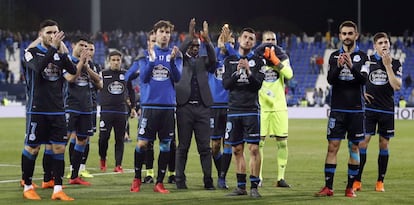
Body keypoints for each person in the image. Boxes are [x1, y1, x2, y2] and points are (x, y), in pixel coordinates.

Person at [21, 19, 75, 201]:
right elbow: (38, 68)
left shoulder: (58, 53)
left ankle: (57, 189)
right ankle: (27, 185)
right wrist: (53, 49)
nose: (53, 36)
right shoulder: (30, 53)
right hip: (37, 109)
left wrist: (62, 50)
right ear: (40, 35)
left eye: (55, 32)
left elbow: (73, 69)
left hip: (58, 110)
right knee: (33, 148)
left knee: (59, 148)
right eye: (49, 32)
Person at [314, 20, 368, 198]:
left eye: (350, 33)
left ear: (356, 35)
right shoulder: (334, 56)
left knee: (354, 148)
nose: (347, 37)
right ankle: (328, 187)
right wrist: (338, 66)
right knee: (332, 147)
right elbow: (330, 80)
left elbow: (363, 80)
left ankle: (350, 187)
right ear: (340, 36)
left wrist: (351, 65)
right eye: (344, 34)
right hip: (337, 110)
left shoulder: (363, 57)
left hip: (356, 111)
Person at [129, 20, 182, 194]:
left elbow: (177, 78)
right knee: (142, 143)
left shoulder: (176, 54)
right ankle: (137, 178)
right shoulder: (145, 54)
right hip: (150, 107)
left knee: (166, 146)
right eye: (162, 31)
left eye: (168, 32)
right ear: (155, 33)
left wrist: (173, 62)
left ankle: (159, 182)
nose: (165, 35)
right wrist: (151, 61)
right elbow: (143, 78)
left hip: (167, 108)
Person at [353, 32, 402, 192]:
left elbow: (397, 86)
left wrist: (387, 65)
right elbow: (359, 79)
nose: (384, 45)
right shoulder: (368, 61)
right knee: (363, 143)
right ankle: (357, 180)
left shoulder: (396, 63)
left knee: (384, 144)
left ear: (389, 44)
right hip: (369, 109)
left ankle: (380, 181)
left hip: (387, 110)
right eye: (380, 43)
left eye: (386, 42)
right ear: (375, 46)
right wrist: (361, 93)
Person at [222, 27, 265, 198]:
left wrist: (248, 71)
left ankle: (254, 187)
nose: (248, 40)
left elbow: (258, 85)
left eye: (251, 39)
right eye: (245, 37)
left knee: (254, 149)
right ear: (239, 39)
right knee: (237, 150)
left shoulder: (259, 61)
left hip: (251, 110)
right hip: (233, 110)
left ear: (254, 43)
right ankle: (241, 187)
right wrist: (237, 72)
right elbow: (226, 84)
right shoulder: (229, 60)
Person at [174, 18, 216, 190]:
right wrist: (190, 36)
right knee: (182, 147)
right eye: (193, 45)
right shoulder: (179, 60)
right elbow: (180, 50)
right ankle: (179, 181)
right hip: (184, 108)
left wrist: (207, 40)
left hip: (203, 108)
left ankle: (208, 181)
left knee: (205, 148)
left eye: (197, 45)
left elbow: (213, 58)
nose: (195, 48)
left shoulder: (204, 60)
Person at [256, 31, 293, 188]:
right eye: (267, 40)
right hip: (261, 107)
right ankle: (258, 177)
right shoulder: (256, 59)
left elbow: (289, 74)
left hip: (279, 107)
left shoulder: (282, 58)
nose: (270, 42)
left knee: (282, 144)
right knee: (258, 144)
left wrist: (276, 61)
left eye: (273, 40)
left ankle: (280, 178)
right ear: (262, 41)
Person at [64, 36, 102, 185]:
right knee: (63, 140)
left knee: (82, 140)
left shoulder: (89, 64)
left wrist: (87, 67)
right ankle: (53, 175)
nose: (84, 49)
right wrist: (81, 64)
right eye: (81, 45)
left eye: (86, 46)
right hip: (70, 106)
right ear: (73, 45)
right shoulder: (66, 61)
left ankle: (75, 175)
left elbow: (99, 84)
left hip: (86, 107)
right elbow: (71, 78)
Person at [98, 50, 137, 173]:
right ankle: (103, 159)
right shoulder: (102, 74)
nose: (116, 62)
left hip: (121, 111)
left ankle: (118, 165)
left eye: (118, 60)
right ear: (109, 61)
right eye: (113, 60)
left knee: (119, 139)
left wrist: (133, 107)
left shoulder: (126, 74)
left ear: (121, 61)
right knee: (103, 138)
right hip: (106, 110)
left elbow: (131, 92)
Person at [209, 24, 236, 189]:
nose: (228, 45)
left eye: (232, 43)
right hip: (213, 107)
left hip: (230, 107)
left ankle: (222, 178)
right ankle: (220, 173)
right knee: (214, 147)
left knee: (228, 144)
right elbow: (210, 61)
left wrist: (226, 45)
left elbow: (235, 54)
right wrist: (219, 47)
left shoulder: (235, 60)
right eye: (226, 41)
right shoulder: (214, 61)